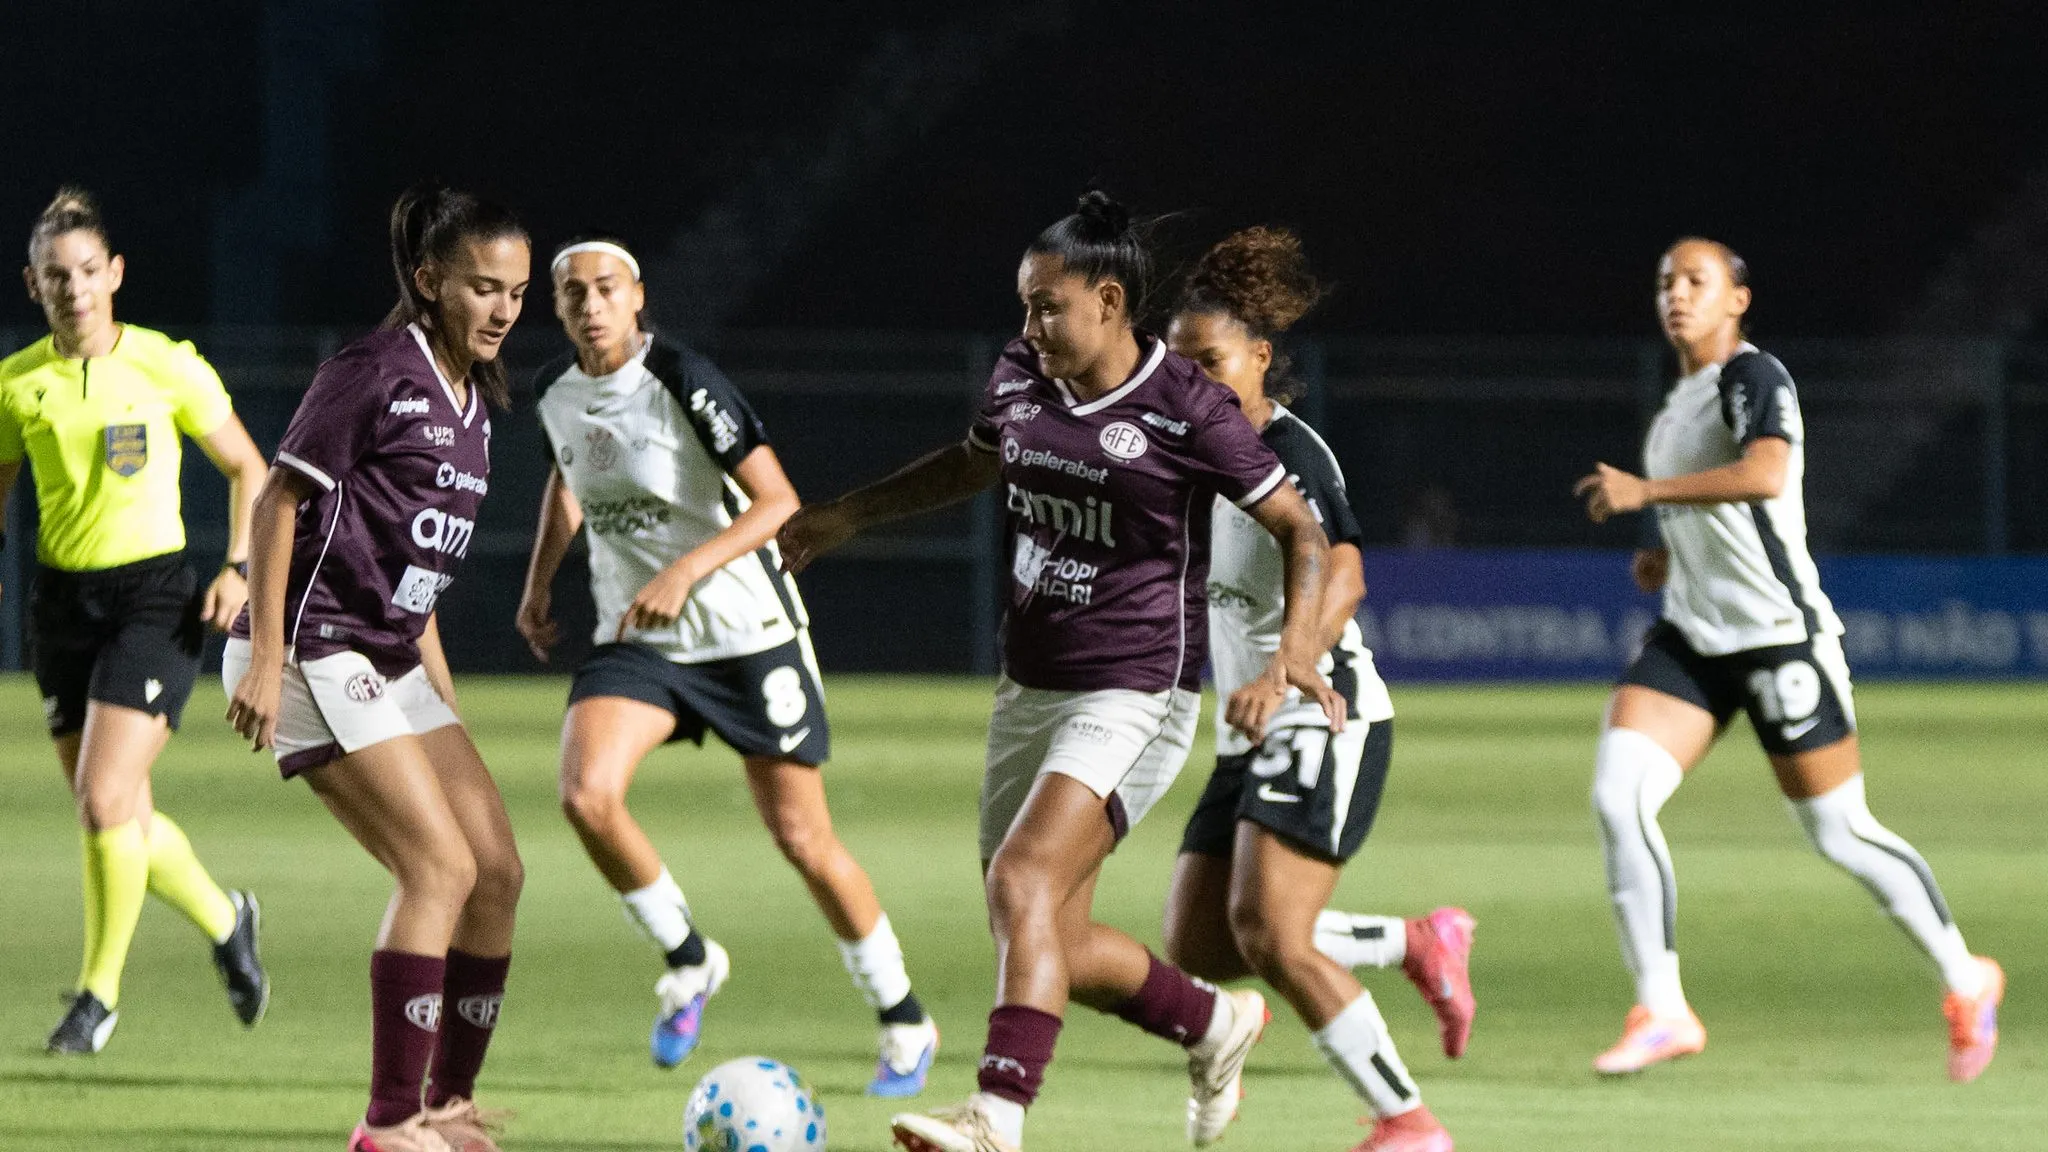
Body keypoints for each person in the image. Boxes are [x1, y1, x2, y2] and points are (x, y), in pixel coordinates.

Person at [781, 191, 1342, 1152]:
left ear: (1111, 301)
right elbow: (974, 461)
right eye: (1025, 306)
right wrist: (850, 514)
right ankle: (1215, 1024)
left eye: (1048, 306)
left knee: (1025, 879)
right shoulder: (1021, 376)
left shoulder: (1187, 406)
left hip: (1138, 692)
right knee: (1047, 935)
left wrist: (1295, 646)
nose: (1030, 326)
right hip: (1031, 685)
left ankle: (996, 1118)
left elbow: (1301, 527)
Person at [516, 234, 939, 1092]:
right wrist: (537, 585)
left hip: (747, 634)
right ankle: (689, 957)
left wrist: (684, 568)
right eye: (572, 295)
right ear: (556, 310)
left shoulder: (684, 380)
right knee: (586, 795)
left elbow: (780, 501)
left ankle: (905, 1019)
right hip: (640, 638)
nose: (590, 305)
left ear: (638, 297)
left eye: (605, 289)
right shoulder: (553, 393)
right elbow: (567, 480)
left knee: (803, 840)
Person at [1574, 236, 2003, 1081]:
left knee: (1842, 833)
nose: (1677, 294)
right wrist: (1670, 555)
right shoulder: (1678, 403)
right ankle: (1663, 1008)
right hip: (1693, 639)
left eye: (1697, 280)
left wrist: (1649, 495)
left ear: (1738, 299)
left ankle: (1966, 977)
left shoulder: (1752, 377)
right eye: (1666, 281)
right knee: (1618, 797)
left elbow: (1767, 474)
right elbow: (1722, 511)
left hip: (1777, 639)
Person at [224, 184, 531, 1152]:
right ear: (430, 280)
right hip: (312, 643)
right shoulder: (371, 370)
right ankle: (387, 1126)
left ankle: (446, 1106)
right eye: (484, 287)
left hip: (387, 651)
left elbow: (414, 568)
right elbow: (277, 503)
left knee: (497, 873)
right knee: (435, 866)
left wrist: (439, 699)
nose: (502, 309)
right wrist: (266, 659)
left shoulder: (477, 403)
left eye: (515, 292)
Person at [1158, 227, 1468, 1152]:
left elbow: (1345, 574)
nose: (1192, 383)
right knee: (1202, 944)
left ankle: (1406, 1120)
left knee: (1276, 934)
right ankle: (1415, 944)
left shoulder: (1292, 451)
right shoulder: (1190, 457)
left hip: (1319, 706)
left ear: (1259, 358)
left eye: (1208, 362)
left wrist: (1282, 661)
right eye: (1176, 367)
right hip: (1246, 722)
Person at [2, 187, 269, 1055]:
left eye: (87, 272)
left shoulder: (165, 365)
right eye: (55, 277)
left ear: (114, 274)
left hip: (155, 598)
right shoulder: (17, 385)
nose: (73, 289)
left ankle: (98, 996)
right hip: (60, 606)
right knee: (121, 816)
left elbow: (248, 468)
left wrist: (237, 567)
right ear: (33, 287)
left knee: (103, 800)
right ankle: (227, 921)